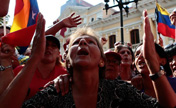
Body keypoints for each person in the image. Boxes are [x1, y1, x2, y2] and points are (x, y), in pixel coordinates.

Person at [22, 24, 176, 107]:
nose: (83, 42)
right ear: (68, 60)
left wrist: (154, 67)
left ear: (102, 60)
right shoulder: (54, 93)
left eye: (91, 42)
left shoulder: (119, 90)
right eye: (77, 42)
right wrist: (33, 59)